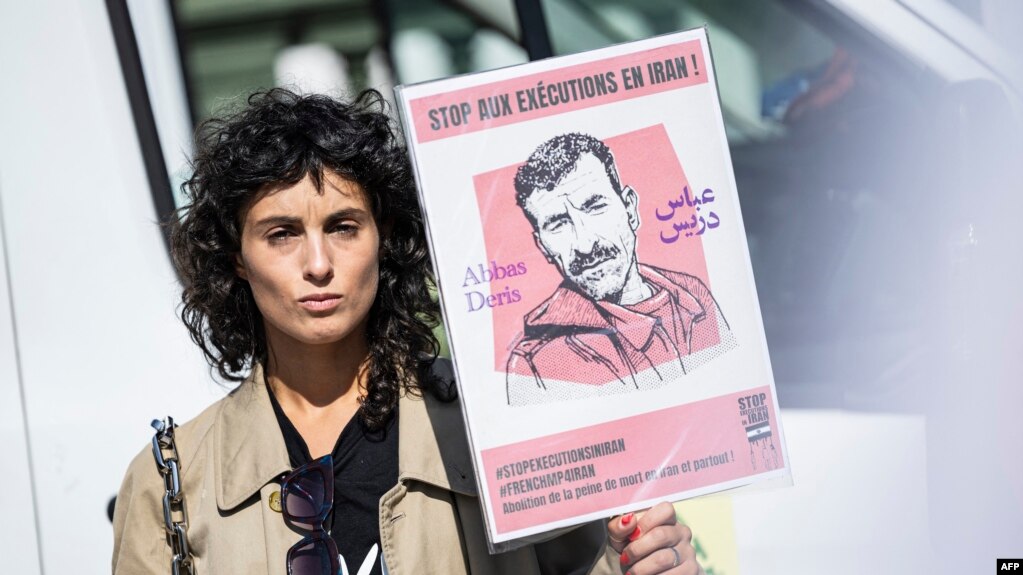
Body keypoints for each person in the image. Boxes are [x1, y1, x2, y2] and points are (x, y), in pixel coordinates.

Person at [111, 89, 704, 575]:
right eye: (282, 233)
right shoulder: (170, 480)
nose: (318, 263)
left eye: (343, 226)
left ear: (384, 237)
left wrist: (647, 560)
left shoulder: (510, 416)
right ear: (237, 256)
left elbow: (594, 566)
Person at [506, 133, 736, 406]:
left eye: (595, 206)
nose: (585, 243)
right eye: (558, 224)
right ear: (543, 246)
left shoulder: (695, 295)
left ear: (629, 209)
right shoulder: (536, 363)